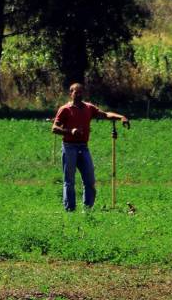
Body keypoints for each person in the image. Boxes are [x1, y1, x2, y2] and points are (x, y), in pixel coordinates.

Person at [51, 83, 129, 211]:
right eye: (76, 92)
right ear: (70, 94)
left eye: (81, 92)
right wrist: (70, 131)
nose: (79, 95)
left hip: (83, 147)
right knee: (69, 181)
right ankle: (70, 209)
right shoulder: (65, 109)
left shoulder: (88, 108)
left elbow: (105, 115)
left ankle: (87, 210)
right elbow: (54, 128)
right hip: (69, 147)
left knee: (90, 180)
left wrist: (121, 117)